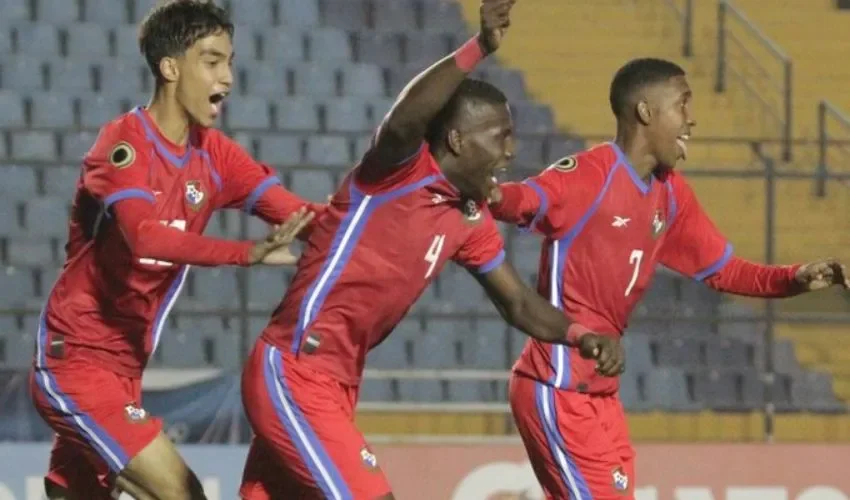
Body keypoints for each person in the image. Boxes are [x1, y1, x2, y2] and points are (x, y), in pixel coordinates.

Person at [238, 1, 626, 499]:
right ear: (458, 140)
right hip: (294, 368)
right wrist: (480, 46)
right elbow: (403, 120)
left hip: (337, 382)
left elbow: (517, 303)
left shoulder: (470, 218)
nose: (511, 150)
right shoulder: (395, 173)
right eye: (500, 136)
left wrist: (579, 335)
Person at [489, 57, 850, 499]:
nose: (691, 119)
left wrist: (794, 277)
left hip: (601, 395)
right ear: (645, 112)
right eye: (682, 104)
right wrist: (479, 189)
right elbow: (520, 199)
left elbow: (727, 271)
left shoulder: (671, 194)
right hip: (556, 387)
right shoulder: (590, 175)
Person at [28, 1, 321, 499]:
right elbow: (143, 237)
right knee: (184, 493)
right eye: (212, 61)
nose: (227, 77)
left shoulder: (216, 155)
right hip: (75, 362)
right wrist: (244, 254)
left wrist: (386, 219)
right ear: (170, 67)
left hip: (125, 371)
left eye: (229, 61)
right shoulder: (122, 144)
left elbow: (301, 216)